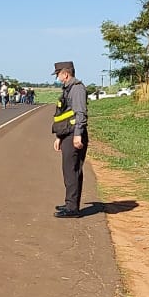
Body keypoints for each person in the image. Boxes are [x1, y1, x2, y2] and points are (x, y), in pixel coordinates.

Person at [51, 61, 88, 218]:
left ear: (65, 74)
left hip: (74, 134)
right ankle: (70, 203)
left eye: (58, 75)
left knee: (71, 171)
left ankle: (72, 208)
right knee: (71, 170)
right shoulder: (69, 88)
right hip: (68, 134)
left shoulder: (77, 88)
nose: (58, 78)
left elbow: (80, 113)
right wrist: (60, 137)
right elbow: (65, 114)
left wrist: (78, 134)